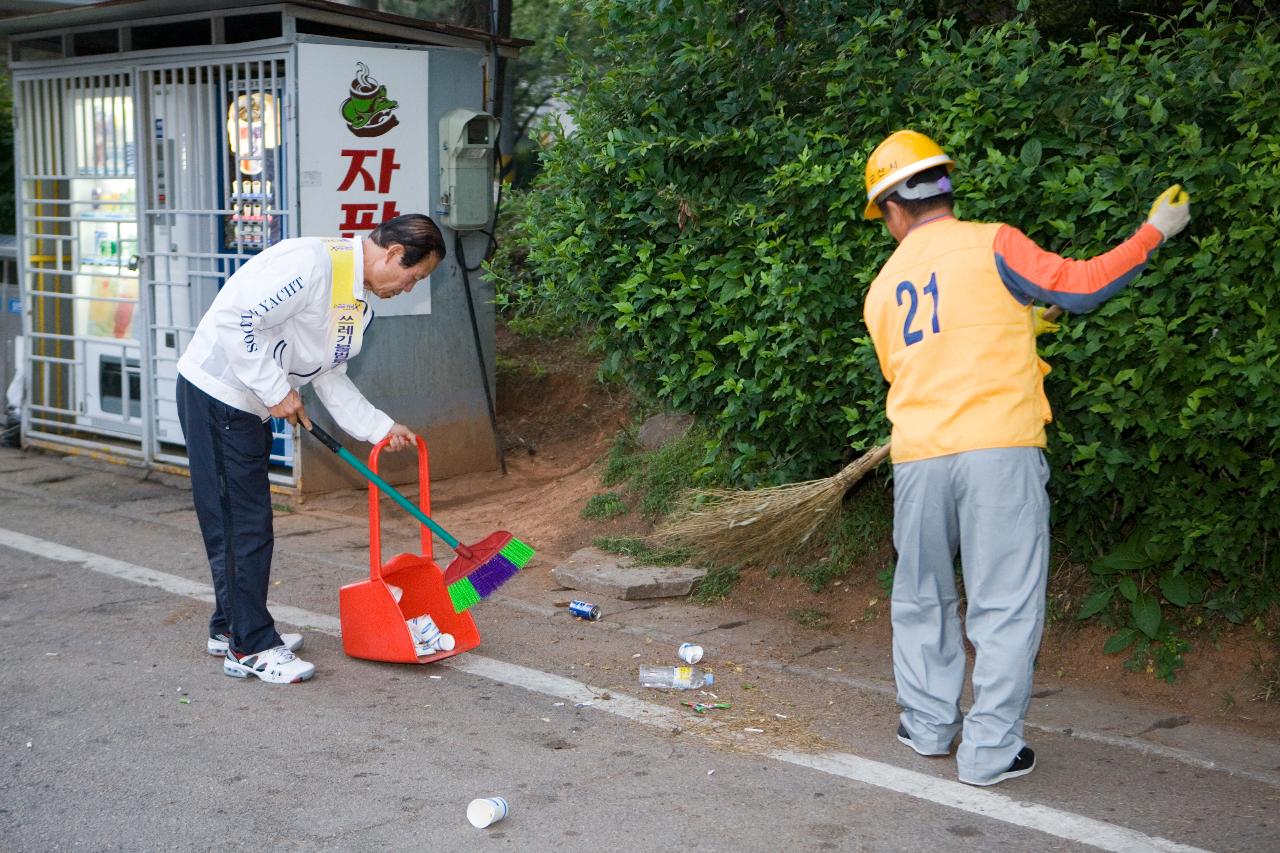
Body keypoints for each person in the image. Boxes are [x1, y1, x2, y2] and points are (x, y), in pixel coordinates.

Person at [860, 130, 1189, 785]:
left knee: (923, 594)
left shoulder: (880, 288)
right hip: (997, 451)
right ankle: (988, 751)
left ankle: (928, 725)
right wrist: (1155, 230)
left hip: (919, 459)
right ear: (944, 187)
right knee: (1004, 601)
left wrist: (1019, 323)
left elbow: (923, 358)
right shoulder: (995, 242)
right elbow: (1085, 286)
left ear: (892, 210)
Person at [176, 214, 446, 684]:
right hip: (219, 396)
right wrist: (275, 388)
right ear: (394, 254)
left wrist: (379, 428)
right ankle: (250, 647)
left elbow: (329, 373)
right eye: (413, 277)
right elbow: (235, 319)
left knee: (244, 521)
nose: (409, 288)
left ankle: (230, 627)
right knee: (243, 525)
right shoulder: (311, 263)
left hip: (251, 404)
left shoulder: (354, 298)